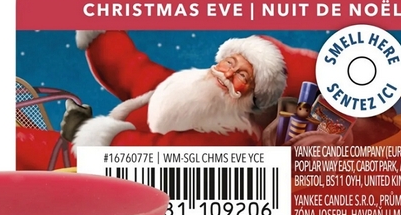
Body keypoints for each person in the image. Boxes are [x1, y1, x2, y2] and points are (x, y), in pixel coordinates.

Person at [66, 30, 318, 149]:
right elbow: (129, 67)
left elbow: (157, 155)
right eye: (230, 63)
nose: (227, 74)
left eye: (242, 76)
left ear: (255, 100)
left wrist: (86, 132)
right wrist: (99, 30)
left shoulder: (231, 140)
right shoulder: (184, 88)